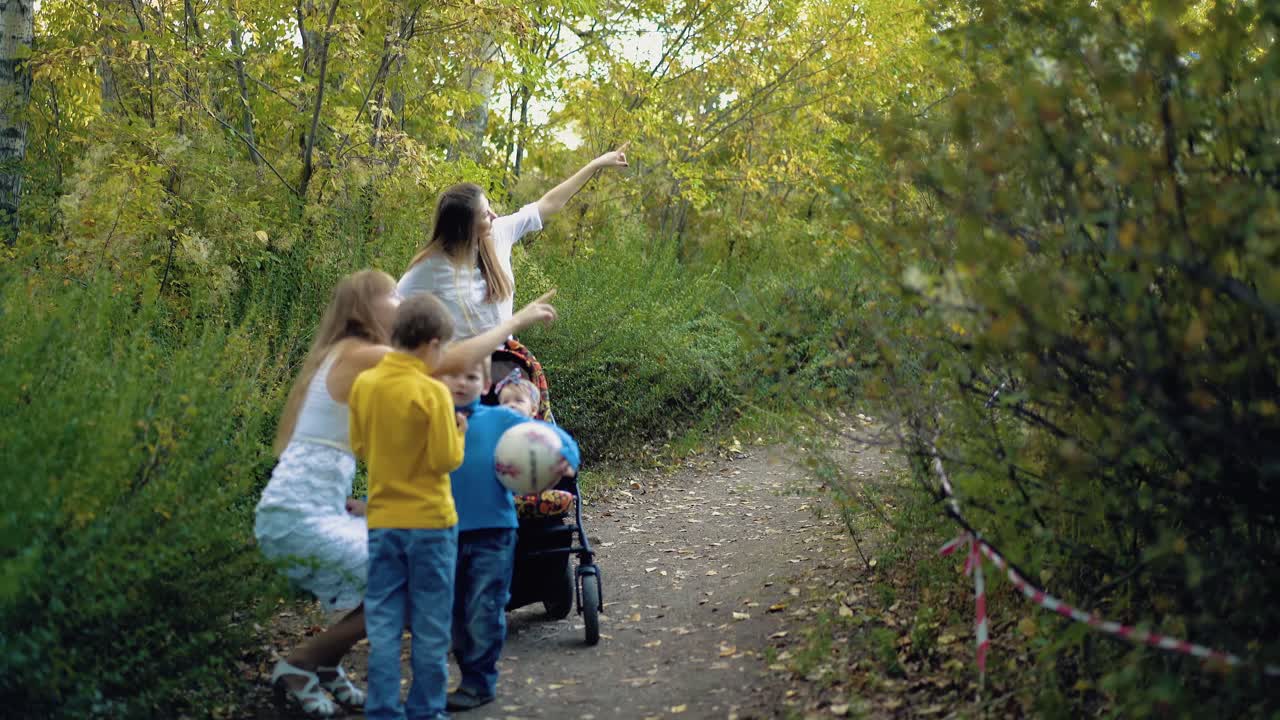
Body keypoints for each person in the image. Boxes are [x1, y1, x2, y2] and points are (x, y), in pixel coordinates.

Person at [253, 270, 558, 718]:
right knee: (404, 586)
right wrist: (517, 320)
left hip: (309, 506)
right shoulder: (364, 354)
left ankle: (326, 664)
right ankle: (301, 663)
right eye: (392, 296)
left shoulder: (353, 355)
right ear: (366, 308)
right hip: (300, 512)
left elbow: (365, 443)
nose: (400, 301)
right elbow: (450, 361)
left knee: (388, 582)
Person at [397, 145, 631, 418]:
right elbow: (391, 313)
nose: (494, 216)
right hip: (463, 382)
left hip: (507, 371)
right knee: (476, 456)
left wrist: (597, 164)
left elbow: (549, 204)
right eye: (485, 214)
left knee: (536, 449)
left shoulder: (498, 234)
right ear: (465, 227)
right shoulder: (430, 268)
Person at [437, 358, 580, 712]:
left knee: (483, 609)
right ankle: (469, 673)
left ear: (485, 385)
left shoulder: (501, 419)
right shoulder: (432, 425)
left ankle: (478, 683)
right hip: (443, 533)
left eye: (469, 376)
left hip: (494, 532)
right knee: (454, 613)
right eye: (450, 376)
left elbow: (553, 435)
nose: (460, 383)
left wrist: (566, 456)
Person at [348, 294, 467, 720]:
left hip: (383, 522)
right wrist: (459, 431)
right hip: (431, 524)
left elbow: (361, 446)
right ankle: (426, 709)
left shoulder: (365, 385)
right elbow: (444, 460)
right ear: (432, 344)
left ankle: (381, 708)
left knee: (383, 623)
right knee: (431, 625)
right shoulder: (432, 392)